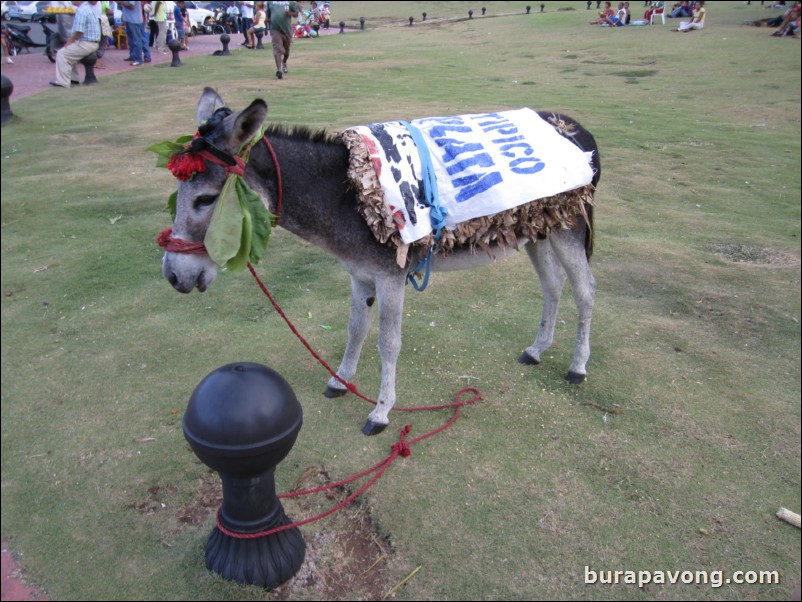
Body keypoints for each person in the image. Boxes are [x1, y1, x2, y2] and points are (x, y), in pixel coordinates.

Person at [50, 0, 101, 88]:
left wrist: (69, 43)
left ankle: (63, 82)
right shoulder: (86, 8)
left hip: (87, 43)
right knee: (69, 53)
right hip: (92, 42)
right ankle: (73, 79)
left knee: (62, 53)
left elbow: (78, 31)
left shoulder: (82, 11)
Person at [267, 0, 298, 79]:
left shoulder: (291, 2)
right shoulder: (270, 2)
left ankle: (284, 61)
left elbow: (296, 14)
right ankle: (279, 70)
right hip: (275, 29)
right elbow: (268, 14)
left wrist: (290, 13)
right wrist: (267, 20)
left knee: (286, 52)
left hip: (286, 31)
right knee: (278, 49)